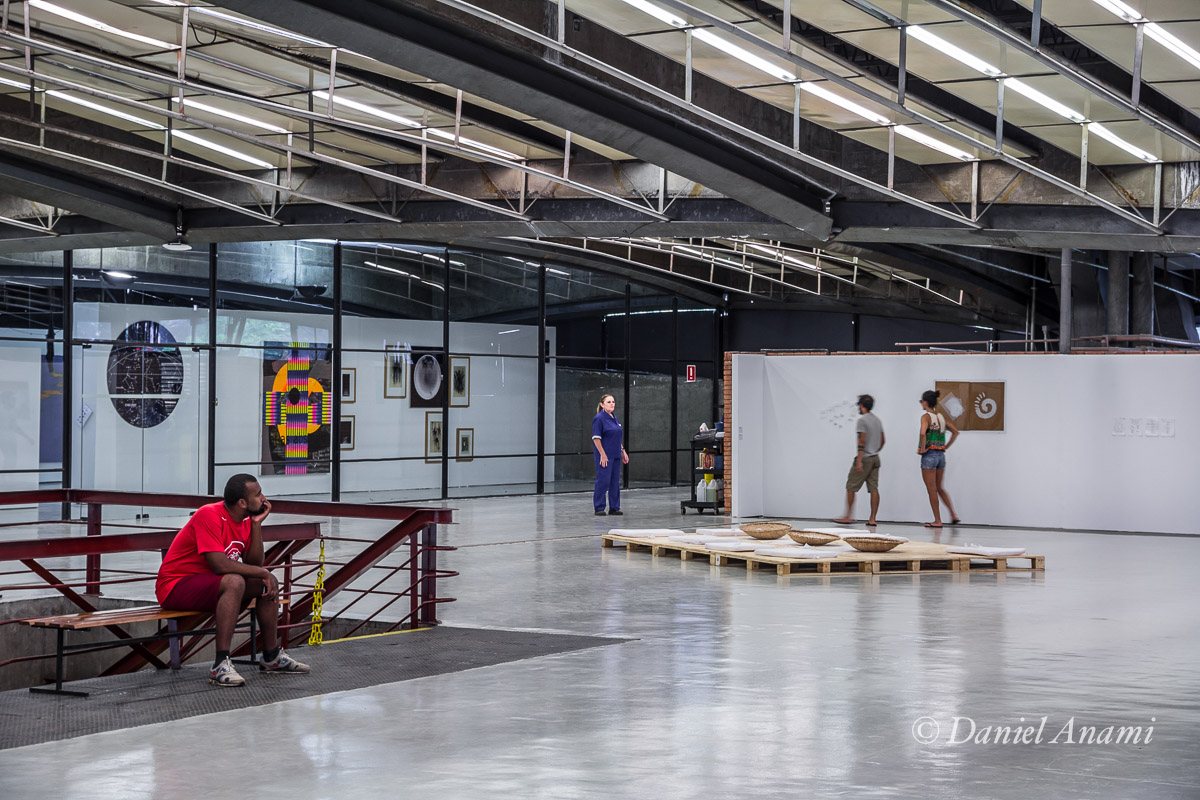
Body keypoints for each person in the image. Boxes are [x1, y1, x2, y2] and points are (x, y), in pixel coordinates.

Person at [156, 474, 310, 687]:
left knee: (264, 584)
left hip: (208, 584)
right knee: (236, 581)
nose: (264, 498)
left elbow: (255, 563)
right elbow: (220, 564)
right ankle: (220, 664)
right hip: (175, 586)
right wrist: (263, 572)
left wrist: (256, 526)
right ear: (242, 503)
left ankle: (271, 656)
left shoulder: (246, 520)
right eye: (258, 494)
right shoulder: (209, 515)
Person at [833, 394, 885, 526]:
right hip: (875, 458)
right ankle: (872, 519)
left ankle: (848, 516)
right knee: (873, 488)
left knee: (851, 486)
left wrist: (860, 460)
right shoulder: (877, 420)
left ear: (861, 405)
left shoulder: (862, 420)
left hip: (865, 458)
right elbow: (883, 440)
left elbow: (861, 440)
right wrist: (875, 450)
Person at [917, 389, 961, 528]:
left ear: (925, 402)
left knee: (932, 490)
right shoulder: (941, 417)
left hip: (929, 455)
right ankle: (953, 514)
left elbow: (923, 433)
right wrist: (945, 446)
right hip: (941, 456)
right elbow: (955, 432)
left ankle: (937, 520)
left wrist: (923, 448)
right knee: (939, 487)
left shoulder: (926, 417)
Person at [591, 394, 628, 516]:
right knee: (603, 480)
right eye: (608, 402)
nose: (612, 404)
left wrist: (623, 451)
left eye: (613, 401)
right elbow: (596, 438)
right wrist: (602, 454)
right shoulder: (599, 418)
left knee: (614, 481)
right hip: (605, 455)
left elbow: (616, 437)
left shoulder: (614, 418)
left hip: (616, 454)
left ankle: (614, 507)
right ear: (602, 405)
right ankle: (599, 507)